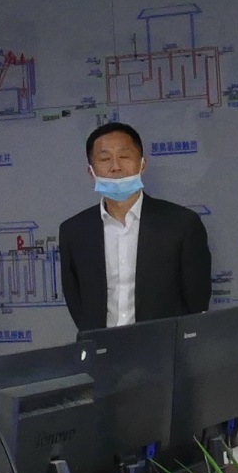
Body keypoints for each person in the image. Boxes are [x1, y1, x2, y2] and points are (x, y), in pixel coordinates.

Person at [56, 119, 212, 333]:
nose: (115, 167)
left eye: (124, 156)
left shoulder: (181, 224)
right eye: (104, 159)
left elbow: (197, 301)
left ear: (142, 164)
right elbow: (77, 301)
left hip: (163, 346)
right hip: (101, 348)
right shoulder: (74, 231)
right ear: (91, 171)